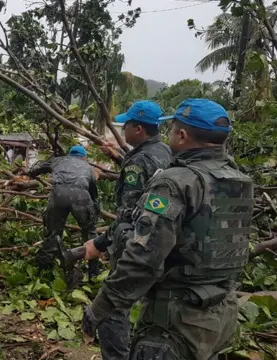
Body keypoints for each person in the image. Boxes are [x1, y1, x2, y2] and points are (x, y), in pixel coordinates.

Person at [82, 99, 255, 360]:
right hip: (222, 312)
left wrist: (99, 308)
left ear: (182, 135)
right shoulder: (238, 179)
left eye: (172, 129)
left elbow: (143, 259)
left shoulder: (175, 183)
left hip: (176, 320)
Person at [82, 100, 172, 360]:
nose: (123, 131)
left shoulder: (138, 161)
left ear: (139, 130)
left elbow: (128, 214)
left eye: (126, 126)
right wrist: (118, 156)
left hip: (137, 242)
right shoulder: (166, 152)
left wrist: (100, 242)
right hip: (164, 241)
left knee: (114, 305)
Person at [28, 145, 100, 282]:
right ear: (84, 157)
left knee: (52, 232)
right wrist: (95, 212)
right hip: (81, 196)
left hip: (58, 195)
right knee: (90, 233)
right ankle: (94, 274)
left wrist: (31, 174)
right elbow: (93, 194)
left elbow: (35, 169)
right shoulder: (88, 168)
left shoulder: (58, 160)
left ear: (69, 154)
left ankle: (43, 271)